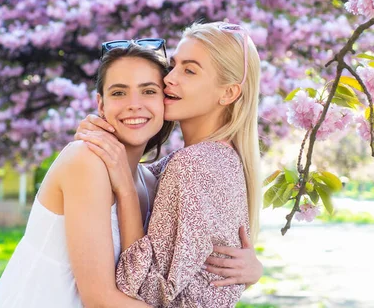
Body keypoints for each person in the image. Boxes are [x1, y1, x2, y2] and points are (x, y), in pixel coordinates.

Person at [0, 39, 261, 308]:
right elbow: (100, 299)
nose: (133, 104)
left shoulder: (155, 180)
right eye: (118, 93)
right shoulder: (85, 162)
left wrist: (250, 270)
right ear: (101, 104)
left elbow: (183, 266)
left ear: (165, 99)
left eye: (149, 91)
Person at [75, 21, 262, 307]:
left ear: (228, 93)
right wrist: (102, 130)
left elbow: (143, 289)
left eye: (189, 70)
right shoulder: (220, 160)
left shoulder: (193, 165)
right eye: (173, 66)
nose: (168, 79)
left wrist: (125, 188)